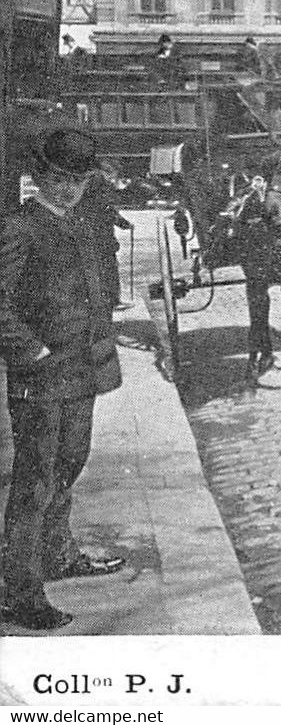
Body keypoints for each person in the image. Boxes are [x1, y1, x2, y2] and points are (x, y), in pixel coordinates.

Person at [0, 129, 127, 631]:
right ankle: (20, 589)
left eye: (78, 180)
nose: (68, 189)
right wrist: (28, 348)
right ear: (39, 178)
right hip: (41, 374)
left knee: (71, 461)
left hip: (83, 369)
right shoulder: (19, 228)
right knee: (34, 478)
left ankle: (57, 553)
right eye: (59, 179)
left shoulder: (85, 224)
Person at [77, 161, 134, 308]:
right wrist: (124, 223)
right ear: (110, 172)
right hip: (101, 232)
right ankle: (113, 300)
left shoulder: (87, 180)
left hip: (87, 229)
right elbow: (107, 208)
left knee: (92, 266)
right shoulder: (100, 181)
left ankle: (96, 300)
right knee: (108, 266)